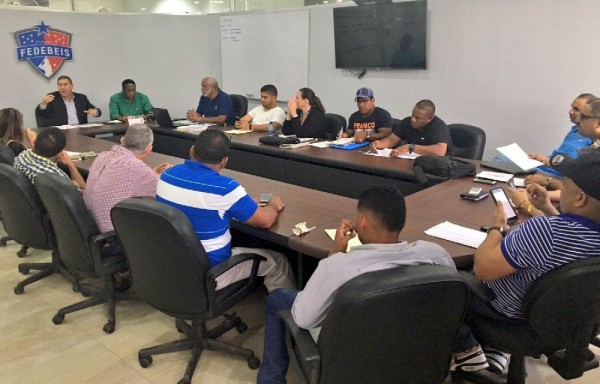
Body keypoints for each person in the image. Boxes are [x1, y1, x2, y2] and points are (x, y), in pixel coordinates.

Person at [256, 185, 455, 383]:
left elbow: (303, 319)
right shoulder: (435, 254)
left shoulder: (336, 267)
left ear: (362, 221)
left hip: (350, 354)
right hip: (410, 348)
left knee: (277, 298)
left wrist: (335, 253)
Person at [451, 151, 600, 374]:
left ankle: (467, 349)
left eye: (565, 186)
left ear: (580, 198)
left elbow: (482, 269)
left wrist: (497, 228)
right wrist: (547, 207)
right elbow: (570, 245)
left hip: (508, 312)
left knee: (443, 277)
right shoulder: (564, 231)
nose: (560, 190)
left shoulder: (544, 231)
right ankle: (495, 352)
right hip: (559, 319)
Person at [156, 129, 295, 292]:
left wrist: (248, 201)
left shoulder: (167, 175)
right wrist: (272, 204)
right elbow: (265, 220)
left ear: (192, 150)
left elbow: (214, 201)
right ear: (224, 161)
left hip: (172, 262)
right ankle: (283, 309)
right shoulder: (226, 188)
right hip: (211, 270)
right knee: (279, 262)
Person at [83, 124, 170, 233]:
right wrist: (165, 174)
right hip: (112, 237)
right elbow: (163, 192)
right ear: (149, 149)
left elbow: (131, 180)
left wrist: (151, 173)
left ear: (122, 140)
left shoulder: (103, 155)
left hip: (89, 227)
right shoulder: (135, 167)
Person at [525, 93, 594, 179]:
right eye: (572, 107)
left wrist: (546, 179)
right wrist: (542, 159)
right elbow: (560, 159)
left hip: (556, 180)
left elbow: (574, 173)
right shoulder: (575, 130)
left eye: (576, 109)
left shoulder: (592, 138)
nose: (570, 112)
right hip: (543, 170)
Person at [370, 99, 452, 156]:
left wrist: (410, 147)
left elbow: (440, 151)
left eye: (418, 117)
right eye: (413, 114)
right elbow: (391, 140)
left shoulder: (439, 126)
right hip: (413, 163)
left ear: (430, 118)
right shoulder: (407, 122)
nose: (413, 119)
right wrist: (378, 144)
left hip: (439, 168)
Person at [13, 127, 86, 189]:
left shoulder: (22, 156)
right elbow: (84, 193)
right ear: (60, 152)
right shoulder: (56, 175)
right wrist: (71, 165)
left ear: (36, 142)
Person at [34, 75, 101, 127]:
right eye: (60, 85)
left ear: (72, 86)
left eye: (65, 84)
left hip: (82, 132)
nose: (62, 87)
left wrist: (95, 111)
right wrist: (43, 103)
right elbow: (40, 115)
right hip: (62, 134)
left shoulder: (81, 98)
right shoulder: (52, 98)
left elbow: (96, 111)